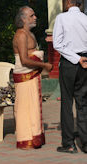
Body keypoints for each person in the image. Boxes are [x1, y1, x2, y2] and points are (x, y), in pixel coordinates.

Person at [13, 6, 52, 150]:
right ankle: (25, 140)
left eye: (34, 15)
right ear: (23, 18)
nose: (35, 17)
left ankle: (35, 137)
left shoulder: (29, 34)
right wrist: (44, 65)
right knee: (24, 109)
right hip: (25, 77)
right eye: (32, 15)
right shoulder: (21, 35)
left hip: (32, 77)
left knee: (33, 108)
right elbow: (24, 60)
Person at [53, 0, 87, 153]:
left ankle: (69, 144)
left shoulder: (61, 18)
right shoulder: (86, 18)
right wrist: (82, 58)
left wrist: (75, 58)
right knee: (83, 103)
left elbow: (57, 44)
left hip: (69, 63)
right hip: (85, 63)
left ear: (68, 3)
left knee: (67, 103)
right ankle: (85, 144)